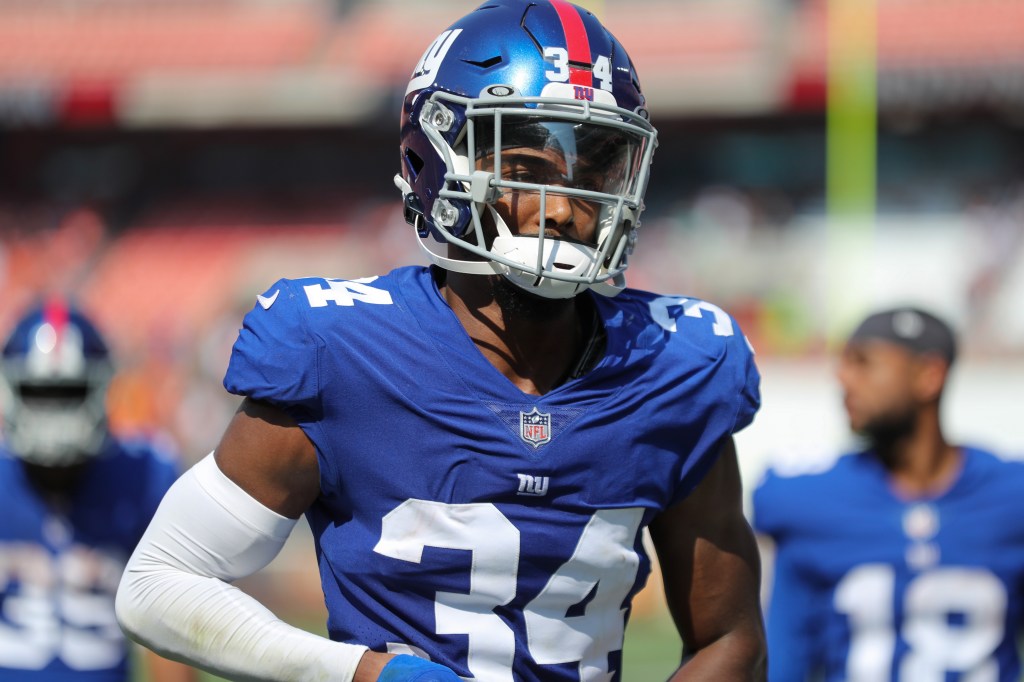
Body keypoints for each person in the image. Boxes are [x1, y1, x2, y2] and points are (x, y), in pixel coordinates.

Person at [115, 1, 767, 680]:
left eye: (595, 167)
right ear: (437, 161)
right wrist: (369, 674)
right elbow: (159, 584)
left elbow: (731, 640)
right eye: (526, 167)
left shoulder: (675, 366)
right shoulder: (343, 351)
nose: (569, 208)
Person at [753, 307, 1024, 681]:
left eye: (863, 363)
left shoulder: (1010, 496)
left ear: (928, 376)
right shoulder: (808, 501)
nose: (844, 378)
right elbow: (784, 664)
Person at [0, 299, 197, 682]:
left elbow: (171, 637)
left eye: (69, 393)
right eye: (39, 393)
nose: (53, 412)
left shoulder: (144, 474)